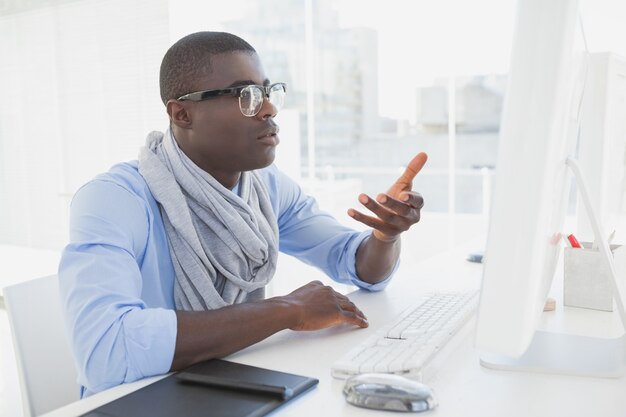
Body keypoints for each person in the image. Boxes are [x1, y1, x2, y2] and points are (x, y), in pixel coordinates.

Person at [58, 31, 427, 397]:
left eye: (268, 92)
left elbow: (356, 264)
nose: (269, 108)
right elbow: (105, 352)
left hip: (230, 388)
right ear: (182, 113)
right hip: (140, 401)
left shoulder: (264, 188)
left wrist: (385, 237)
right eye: (244, 95)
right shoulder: (114, 199)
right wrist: (286, 310)